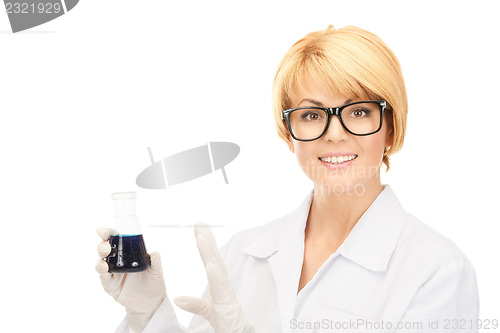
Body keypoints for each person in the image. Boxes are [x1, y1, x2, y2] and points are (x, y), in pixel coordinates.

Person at [96, 25, 479, 333]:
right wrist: (148, 314)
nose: (334, 134)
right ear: (288, 133)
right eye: (312, 115)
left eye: (359, 111)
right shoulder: (241, 254)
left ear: (391, 129)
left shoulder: (437, 270)